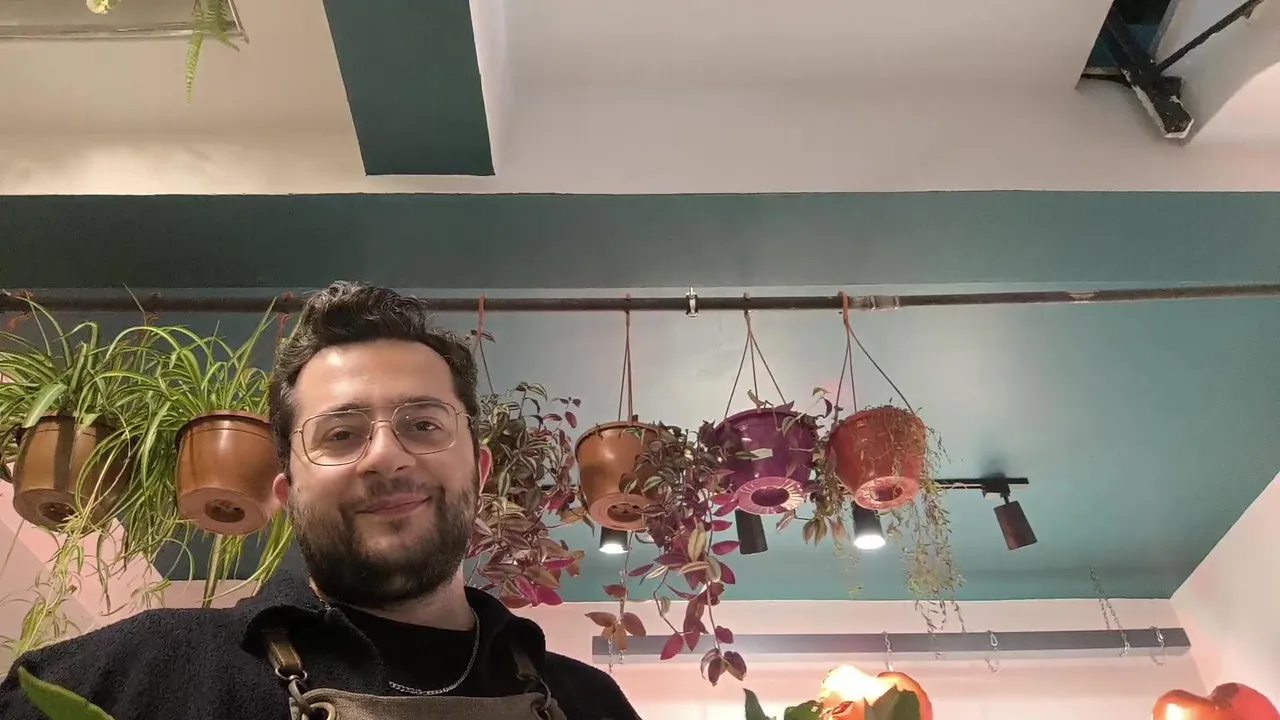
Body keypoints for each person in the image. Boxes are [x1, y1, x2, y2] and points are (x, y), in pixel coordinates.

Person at [0, 281, 642, 720]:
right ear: (287, 491)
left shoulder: (591, 703)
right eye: (341, 434)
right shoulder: (133, 675)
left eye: (424, 424)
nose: (386, 455)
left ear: (478, 470)